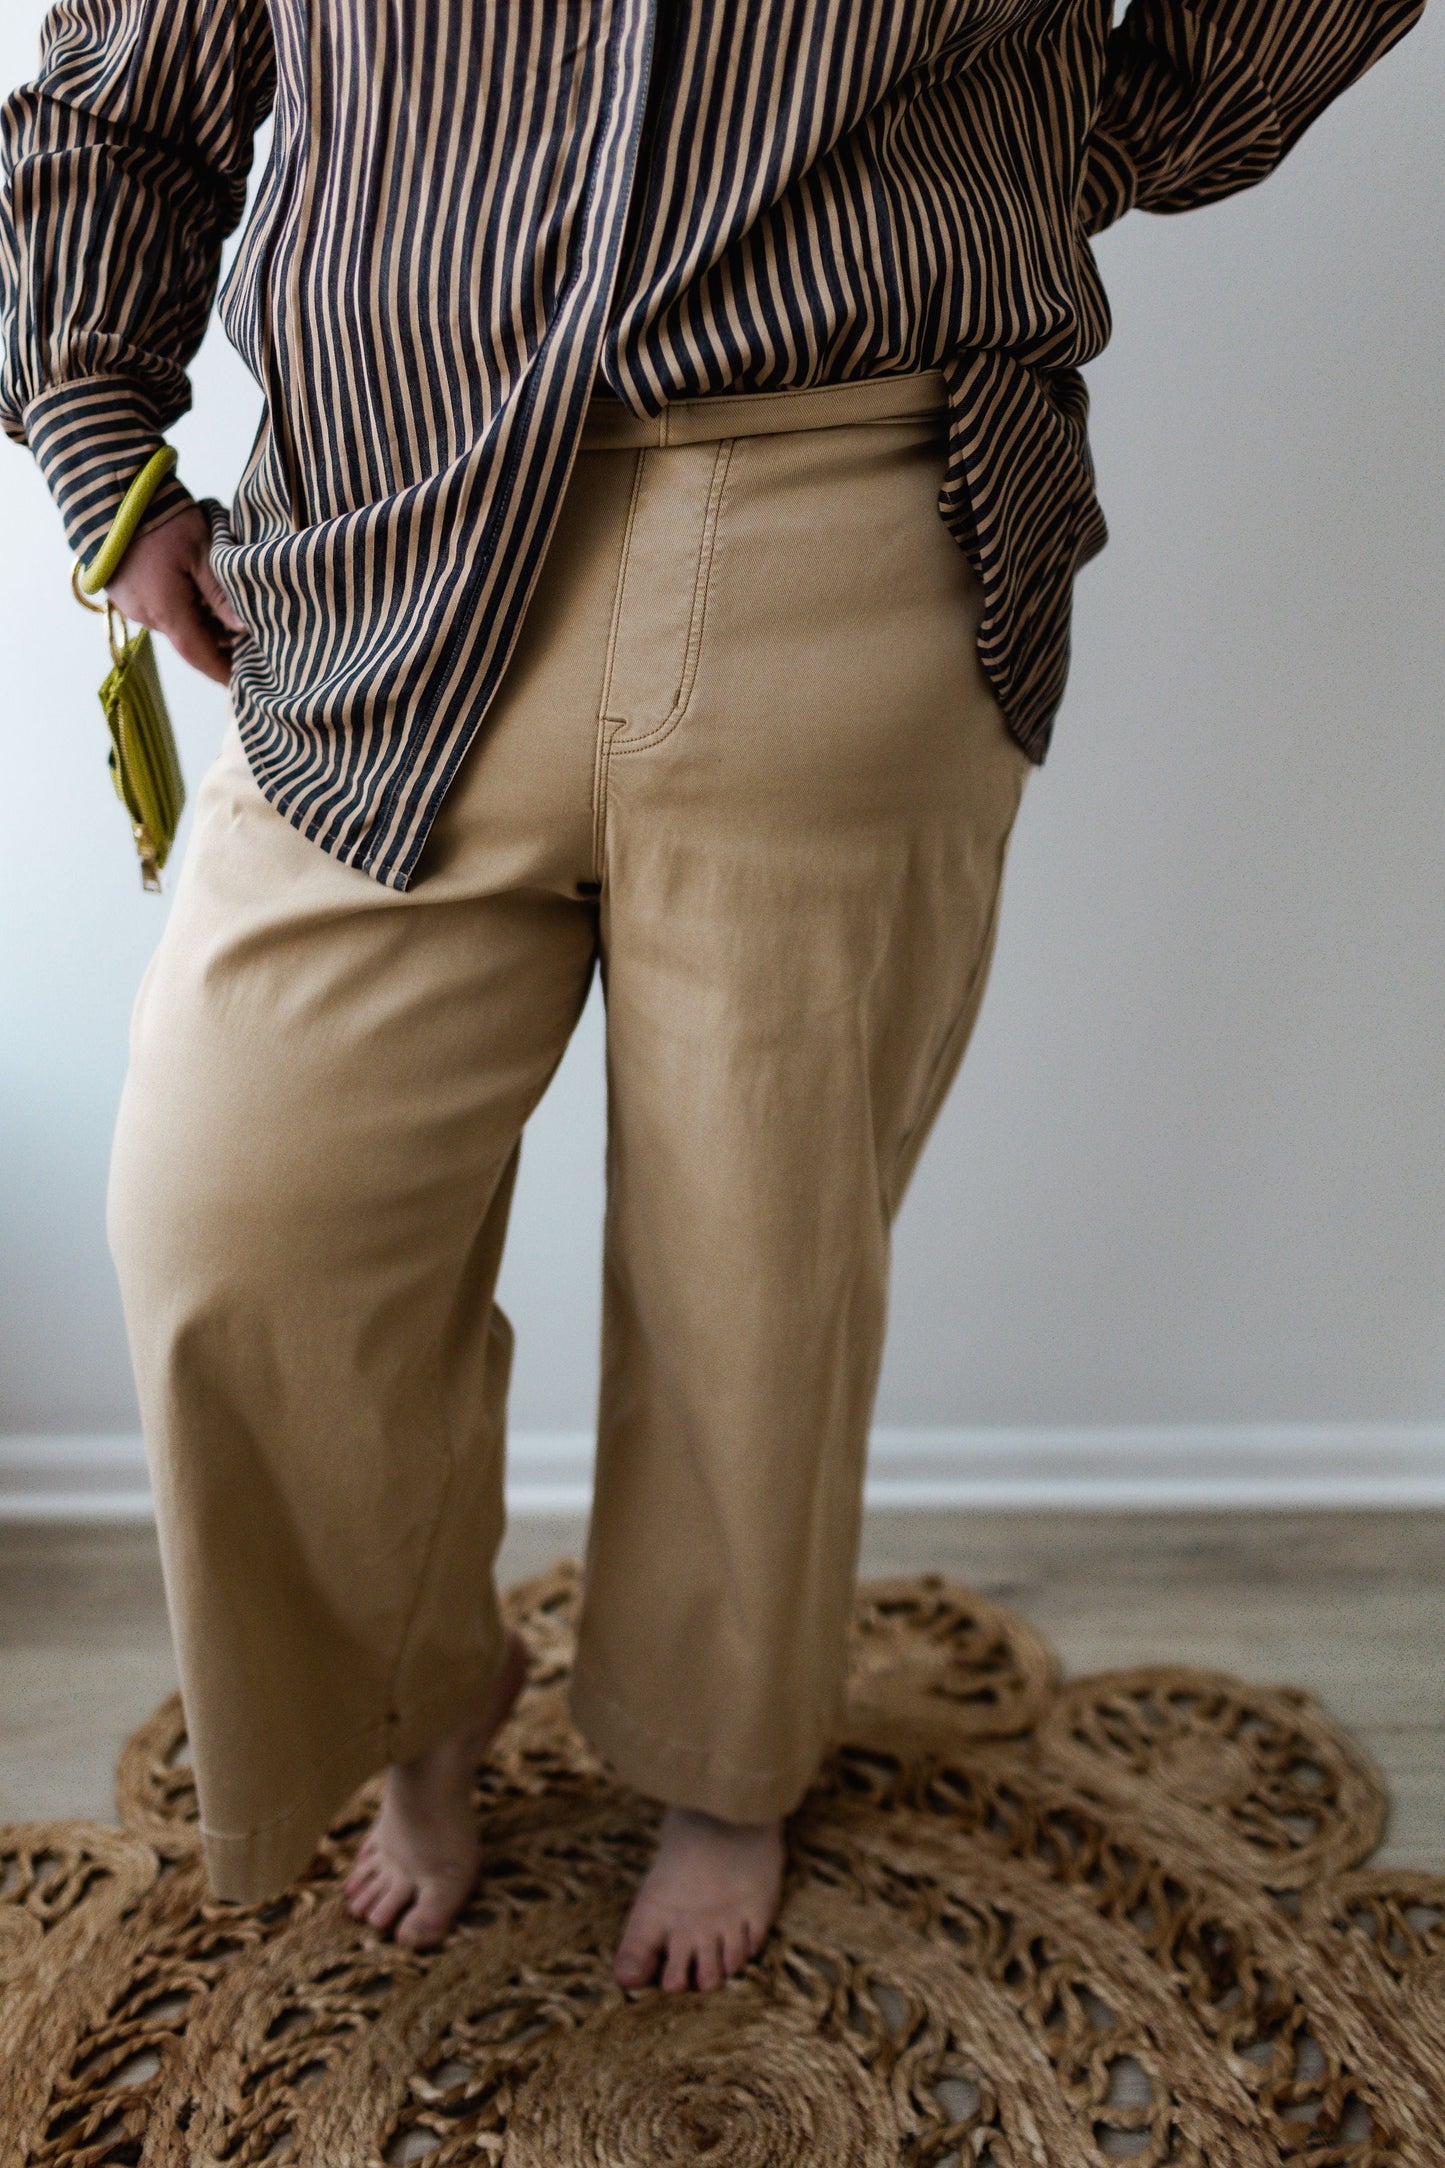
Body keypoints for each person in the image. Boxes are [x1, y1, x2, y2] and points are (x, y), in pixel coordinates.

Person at [0, 0, 1421, 1993]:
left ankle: (725, 1756)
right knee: (236, 1210)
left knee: (765, 1254)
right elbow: (128, 89)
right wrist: (106, 448)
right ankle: (424, 1691)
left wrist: (1034, 152)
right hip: (382, 537)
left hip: (853, 508)